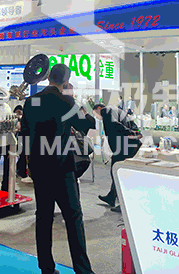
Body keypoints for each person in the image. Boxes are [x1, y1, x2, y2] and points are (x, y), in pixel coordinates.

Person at [21, 63, 95, 274]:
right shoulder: (66, 101)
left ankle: (46, 268)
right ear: (66, 81)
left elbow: (24, 134)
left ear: (48, 78)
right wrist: (76, 100)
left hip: (39, 167)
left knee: (43, 217)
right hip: (62, 167)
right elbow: (84, 125)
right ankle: (83, 270)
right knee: (73, 218)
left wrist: (25, 164)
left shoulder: (31, 101)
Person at [96, 104, 142, 212]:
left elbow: (115, 125)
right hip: (131, 145)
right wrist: (135, 133)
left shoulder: (105, 111)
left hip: (123, 146)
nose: (97, 117)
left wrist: (131, 133)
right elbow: (132, 124)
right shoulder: (119, 111)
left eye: (95, 114)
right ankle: (112, 197)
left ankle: (122, 204)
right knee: (119, 172)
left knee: (117, 172)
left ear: (99, 108)